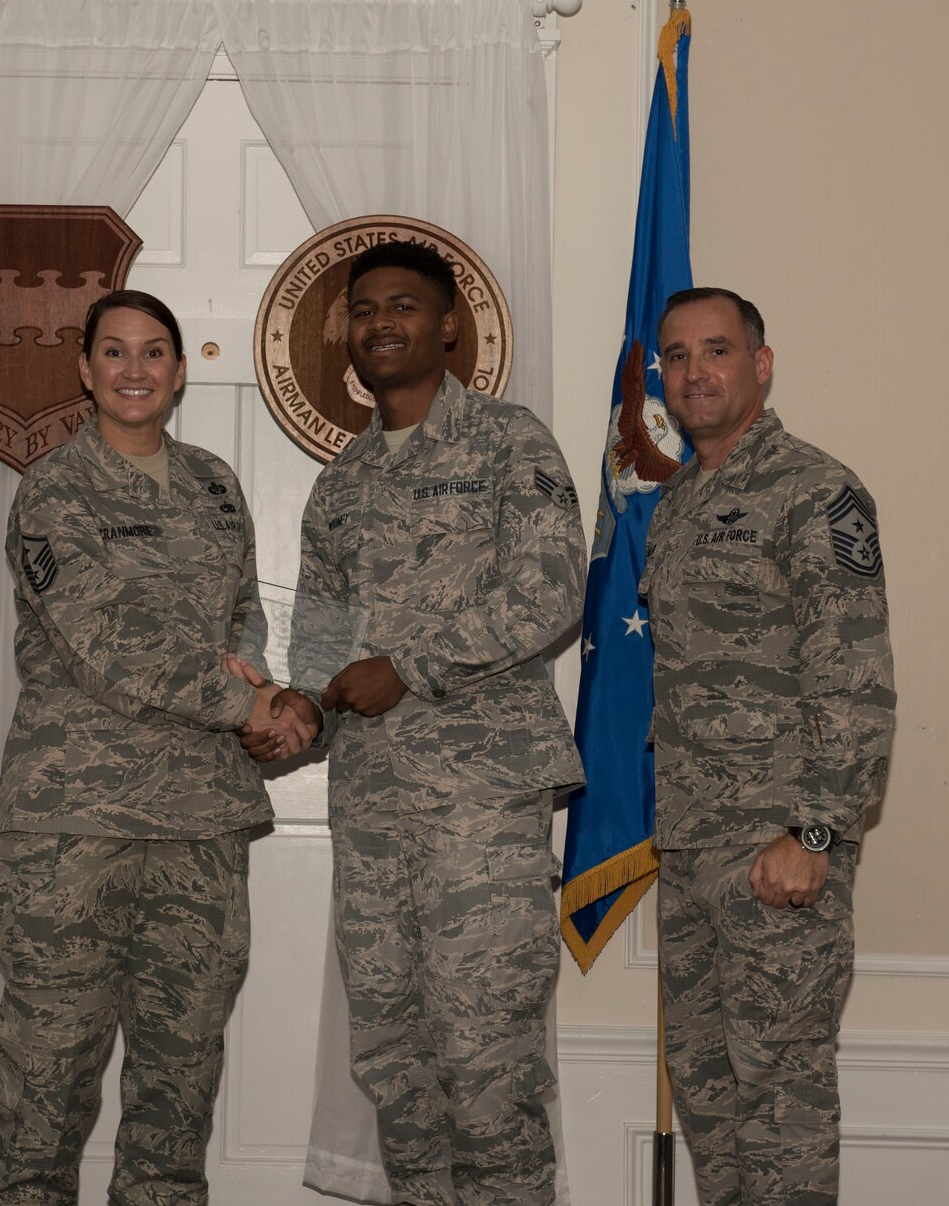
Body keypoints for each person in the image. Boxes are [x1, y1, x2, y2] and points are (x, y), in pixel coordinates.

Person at [0, 290, 319, 1205]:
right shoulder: (54, 488)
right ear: (84, 370)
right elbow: (108, 644)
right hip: (74, 825)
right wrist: (245, 705)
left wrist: (270, 695)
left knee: (179, 1087)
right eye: (115, 352)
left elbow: (243, 615)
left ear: (179, 370)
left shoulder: (215, 484)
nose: (136, 369)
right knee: (43, 1083)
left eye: (155, 351)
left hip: (201, 824)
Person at [282, 240, 586, 1206]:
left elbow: (552, 589)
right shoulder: (341, 485)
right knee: (396, 1066)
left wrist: (407, 667)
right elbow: (324, 655)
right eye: (364, 309)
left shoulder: (510, 442)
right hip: (370, 813)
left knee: (488, 1068)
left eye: (404, 305)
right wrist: (292, 715)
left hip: (480, 811)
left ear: (448, 323)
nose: (381, 323)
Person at [639, 287, 896, 1206]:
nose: (696, 371)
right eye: (676, 355)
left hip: (778, 850)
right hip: (694, 846)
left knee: (782, 1102)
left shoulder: (814, 489)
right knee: (712, 1103)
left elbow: (856, 679)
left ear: (762, 362)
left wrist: (816, 834)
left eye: (717, 350)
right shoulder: (676, 505)